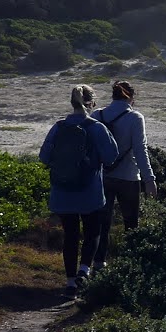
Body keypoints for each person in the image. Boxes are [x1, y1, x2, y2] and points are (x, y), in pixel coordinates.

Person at [39, 83, 117, 294]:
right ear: (91, 103)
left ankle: (70, 282)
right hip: (89, 191)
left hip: (63, 191)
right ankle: (84, 270)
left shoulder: (58, 127)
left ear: (72, 102)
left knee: (70, 235)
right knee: (93, 232)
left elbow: (44, 157)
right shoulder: (96, 128)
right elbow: (111, 157)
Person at [93, 79, 155, 265]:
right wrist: (149, 178)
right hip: (128, 177)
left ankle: (98, 262)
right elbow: (140, 149)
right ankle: (130, 264)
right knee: (131, 224)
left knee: (102, 224)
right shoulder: (135, 118)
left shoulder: (98, 114)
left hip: (103, 176)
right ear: (132, 97)